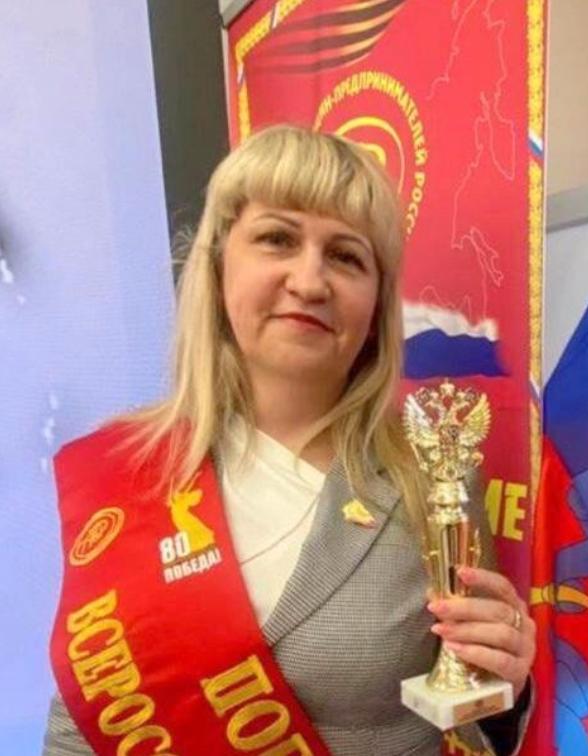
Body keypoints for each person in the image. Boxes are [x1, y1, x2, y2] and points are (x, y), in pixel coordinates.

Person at [44, 124, 536, 755]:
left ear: (376, 305)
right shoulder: (121, 468)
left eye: (346, 256)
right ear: (219, 265)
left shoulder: (431, 478)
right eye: (277, 239)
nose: (309, 282)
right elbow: (83, 717)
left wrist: (507, 688)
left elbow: (474, 719)